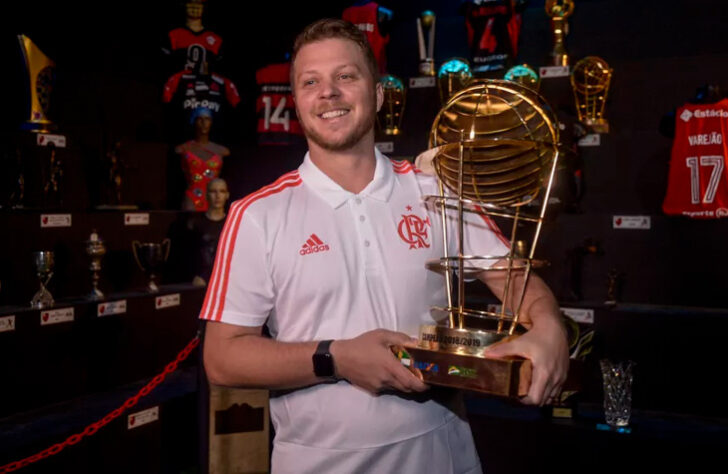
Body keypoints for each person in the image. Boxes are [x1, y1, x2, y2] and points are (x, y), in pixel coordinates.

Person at [201, 19, 568, 473]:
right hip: (318, 462)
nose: (328, 93)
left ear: (377, 95)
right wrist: (335, 358)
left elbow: (520, 284)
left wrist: (550, 327)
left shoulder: (438, 190)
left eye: (346, 76)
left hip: (443, 453)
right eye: (310, 82)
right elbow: (221, 358)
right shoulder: (256, 215)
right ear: (296, 103)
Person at [175, 107, 230, 211]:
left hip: (214, 200)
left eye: (207, 119)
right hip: (192, 198)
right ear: (194, 121)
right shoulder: (184, 148)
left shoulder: (221, 150)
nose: (204, 123)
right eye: (200, 119)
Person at [187, 178, 230, 286]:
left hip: (227, 281)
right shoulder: (195, 224)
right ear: (206, 195)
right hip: (200, 283)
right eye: (213, 191)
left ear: (227, 195)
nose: (218, 196)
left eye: (222, 191)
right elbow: (189, 257)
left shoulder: (232, 223)